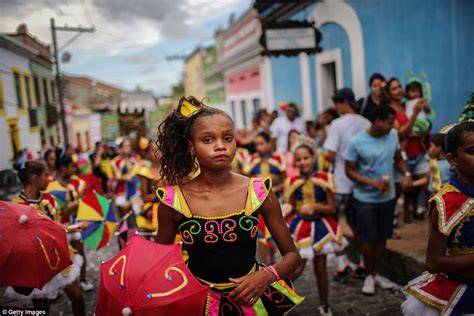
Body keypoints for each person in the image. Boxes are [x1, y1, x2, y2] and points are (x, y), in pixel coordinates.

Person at [155, 96, 303, 314]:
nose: (220, 146)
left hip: (252, 302)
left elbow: (293, 256)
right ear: (191, 147)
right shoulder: (173, 201)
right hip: (197, 303)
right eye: (207, 140)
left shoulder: (259, 192)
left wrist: (266, 275)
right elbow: (160, 263)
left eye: (227, 138)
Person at [402, 121, 474, 315]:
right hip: (461, 288)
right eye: (472, 151)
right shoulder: (446, 202)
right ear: (452, 159)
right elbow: (433, 262)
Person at [345, 105, 413, 295]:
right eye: (390, 122)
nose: (394, 126)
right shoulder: (357, 142)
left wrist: (406, 173)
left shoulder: (392, 136)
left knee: (382, 236)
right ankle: (368, 275)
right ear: (377, 121)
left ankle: (376, 273)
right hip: (364, 198)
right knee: (368, 238)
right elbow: (348, 170)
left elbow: (398, 158)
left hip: (387, 196)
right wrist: (371, 182)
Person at [9, 158, 86, 316]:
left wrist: (75, 227)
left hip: (57, 256)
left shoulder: (49, 199)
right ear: (35, 179)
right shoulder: (15, 206)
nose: (49, 179)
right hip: (34, 263)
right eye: (45, 175)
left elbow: (56, 228)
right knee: (41, 307)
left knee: (77, 296)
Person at [286, 144, 346, 316]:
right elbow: (290, 206)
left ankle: (324, 304)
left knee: (320, 270)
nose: (303, 162)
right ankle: (280, 300)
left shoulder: (325, 178)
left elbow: (332, 208)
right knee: (296, 269)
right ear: (295, 163)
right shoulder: (292, 182)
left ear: (313, 158)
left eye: (306, 158)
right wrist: (284, 209)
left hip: (320, 227)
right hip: (301, 228)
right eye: (299, 159)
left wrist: (314, 206)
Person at [324, 87, 371, 281]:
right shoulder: (366, 123)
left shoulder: (337, 124)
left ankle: (342, 264)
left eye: (337, 103)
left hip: (341, 183)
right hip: (361, 184)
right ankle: (359, 263)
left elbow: (329, 154)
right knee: (358, 225)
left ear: (343, 102)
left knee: (335, 223)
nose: (335, 107)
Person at [381, 78, 431, 223]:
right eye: (394, 89)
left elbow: (422, 122)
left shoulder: (407, 105)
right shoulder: (391, 110)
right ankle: (391, 219)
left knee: (428, 182)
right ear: (388, 93)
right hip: (402, 155)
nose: (399, 90)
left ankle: (431, 213)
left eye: (399, 87)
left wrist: (421, 130)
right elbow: (400, 133)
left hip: (418, 150)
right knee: (399, 190)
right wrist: (415, 114)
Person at [47, 149, 94, 292]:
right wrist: (75, 204)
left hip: (75, 222)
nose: (74, 169)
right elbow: (60, 213)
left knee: (80, 252)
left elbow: (81, 201)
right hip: (61, 226)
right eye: (71, 167)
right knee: (62, 258)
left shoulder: (74, 182)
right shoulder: (51, 188)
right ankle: (64, 285)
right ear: (62, 168)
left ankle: (83, 279)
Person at [246, 130, 286, 265]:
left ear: (269, 143)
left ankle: (273, 260)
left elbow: (285, 181)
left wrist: (272, 190)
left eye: (262, 143)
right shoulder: (252, 160)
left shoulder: (278, 158)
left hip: (275, 199)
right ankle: (263, 264)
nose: (259, 147)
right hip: (257, 202)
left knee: (273, 229)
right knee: (260, 232)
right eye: (256, 144)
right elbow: (248, 179)